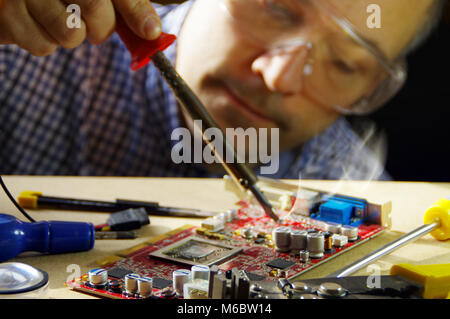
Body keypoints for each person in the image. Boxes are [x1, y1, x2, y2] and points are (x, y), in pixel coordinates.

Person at [0, 0, 444, 180]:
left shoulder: (355, 190)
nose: (278, 77)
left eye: (347, 65)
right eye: (275, 7)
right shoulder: (32, 42)